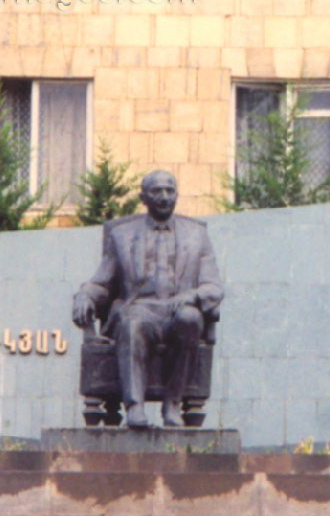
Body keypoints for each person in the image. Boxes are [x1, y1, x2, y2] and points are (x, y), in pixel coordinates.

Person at [72, 170, 224, 428]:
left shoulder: (196, 235)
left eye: (170, 190)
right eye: (156, 191)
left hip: (178, 312)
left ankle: (173, 404)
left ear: (176, 194)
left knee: (190, 318)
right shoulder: (121, 235)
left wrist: (193, 295)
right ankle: (134, 406)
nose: (164, 197)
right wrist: (85, 295)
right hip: (140, 310)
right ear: (143, 197)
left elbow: (214, 286)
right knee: (132, 324)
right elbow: (102, 282)